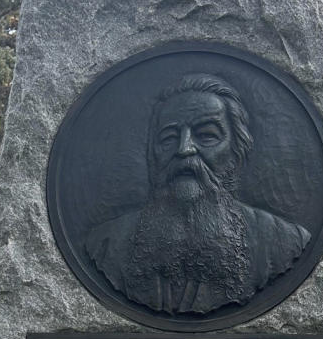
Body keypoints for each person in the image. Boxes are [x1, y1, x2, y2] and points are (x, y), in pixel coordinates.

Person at [85, 74, 310, 315]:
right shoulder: (105, 246)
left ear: (237, 151)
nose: (184, 149)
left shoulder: (283, 244)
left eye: (207, 135)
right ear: (153, 154)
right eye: (169, 138)